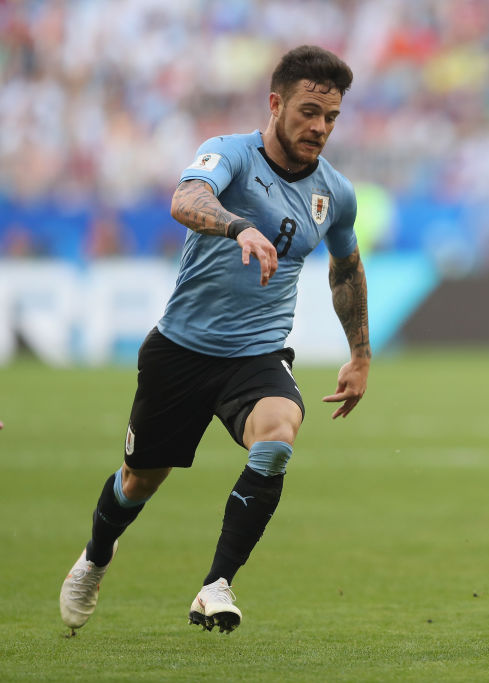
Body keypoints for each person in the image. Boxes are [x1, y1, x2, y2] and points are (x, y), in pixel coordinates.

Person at [59, 45, 370, 636]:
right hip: (180, 350)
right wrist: (239, 226)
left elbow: (346, 268)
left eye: (330, 118)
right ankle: (96, 558)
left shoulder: (336, 193)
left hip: (256, 355)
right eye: (308, 111)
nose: (319, 128)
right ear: (276, 103)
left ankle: (216, 584)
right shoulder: (229, 153)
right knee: (138, 482)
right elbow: (186, 199)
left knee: (279, 432)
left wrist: (360, 354)